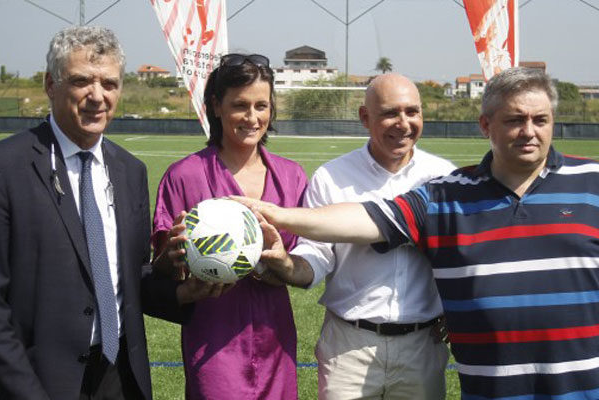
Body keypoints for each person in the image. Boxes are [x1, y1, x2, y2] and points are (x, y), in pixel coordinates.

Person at [236, 67, 599, 399]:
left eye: (541, 120)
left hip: (429, 345)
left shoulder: (445, 176)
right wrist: (280, 230)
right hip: (358, 344)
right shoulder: (439, 190)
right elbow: (360, 223)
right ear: (486, 125)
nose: (529, 131)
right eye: (516, 119)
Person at [0, 26, 211, 400]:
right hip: (39, 381)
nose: (97, 96)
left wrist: (178, 286)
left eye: (109, 84)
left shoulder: (130, 171)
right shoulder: (8, 167)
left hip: (119, 377)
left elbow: (127, 278)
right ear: (51, 84)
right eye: (81, 81)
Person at [258, 73, 454, 399]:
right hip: (349, 346)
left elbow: (458, 256)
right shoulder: (333, 176)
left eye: (412, 112)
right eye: (390, 113)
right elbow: (317, 256)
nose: (403, 123)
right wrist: (284, 262)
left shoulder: (443, 176)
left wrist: (456, 307)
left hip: (422, 346)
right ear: (365, 117)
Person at [152, 53, 308, 399]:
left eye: (262, 106)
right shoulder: (184, 176)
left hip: (276, 340)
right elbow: (159, 269)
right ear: (216, 106)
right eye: (240, 105)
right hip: (212, 341)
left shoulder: (292, 176)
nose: (253, 117)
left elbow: (308, 262)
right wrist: (175, 255)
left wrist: (281, 265)